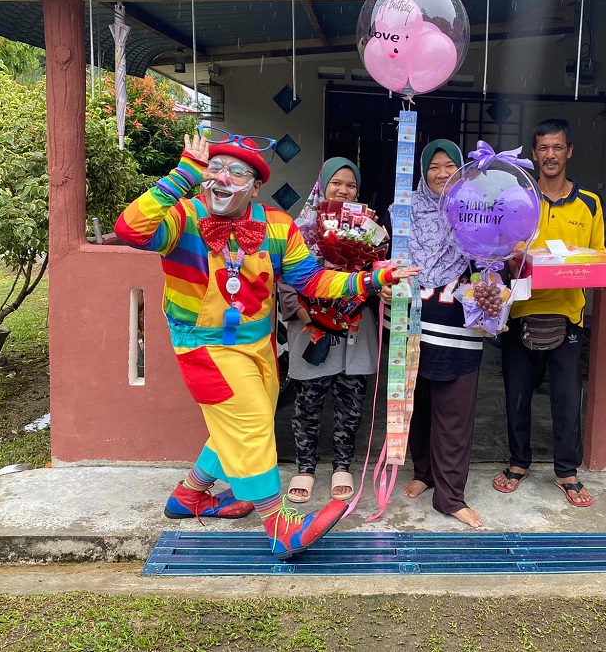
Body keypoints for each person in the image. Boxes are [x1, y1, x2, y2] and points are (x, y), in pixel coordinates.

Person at [114, 134, 418, 559]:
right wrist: (183, 173)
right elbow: (129, 229)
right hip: (203, 347)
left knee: (238, 424)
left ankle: (189, 495)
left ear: (255, 186)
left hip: (258, 347)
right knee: (253, 425)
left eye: (237, 172)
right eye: (215, 168)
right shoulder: (183, 216)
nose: (223, 178)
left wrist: (371, 279)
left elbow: (311, 281)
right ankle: (279, 525)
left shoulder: (276, 224)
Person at [493, 119, 606, 507]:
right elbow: (503, 253)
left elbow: (596, 259)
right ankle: (518, 462)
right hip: (521, 312)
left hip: (568, 314)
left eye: (558, 147)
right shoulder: (520, 199)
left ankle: (566, 471)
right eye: (543, 148)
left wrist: (577, 268)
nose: (550, 155)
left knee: (565, 398)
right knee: (517, 395)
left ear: (569, 151)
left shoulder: (590, 203)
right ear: (535, 153)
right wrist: (514, 262)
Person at [380, 139, 484, 529]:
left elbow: (492, 263)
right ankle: (423, 473)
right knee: (416, 403)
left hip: (457, 325)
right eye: (434, 166)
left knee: (454, 412)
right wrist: (384, 281)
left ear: (462, 170)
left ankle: (451, 496)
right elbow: (387, 259)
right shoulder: (402, 211)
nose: (442, 173)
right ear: (422, 171)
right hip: (408, 322)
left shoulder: (478, 209)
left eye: (449, 166)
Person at [279, 157, 379, 504]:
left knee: (350, 401)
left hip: (355, 326)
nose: (344, 190)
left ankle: (341, 467)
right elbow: (285, 281)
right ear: (322, 184)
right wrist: (313, 319)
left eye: (351, 185)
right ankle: (305, 468)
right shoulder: (299, 228)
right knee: (308, 402)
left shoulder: (368, 229)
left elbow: (376, 274)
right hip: (312, 329)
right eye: (337, 182)